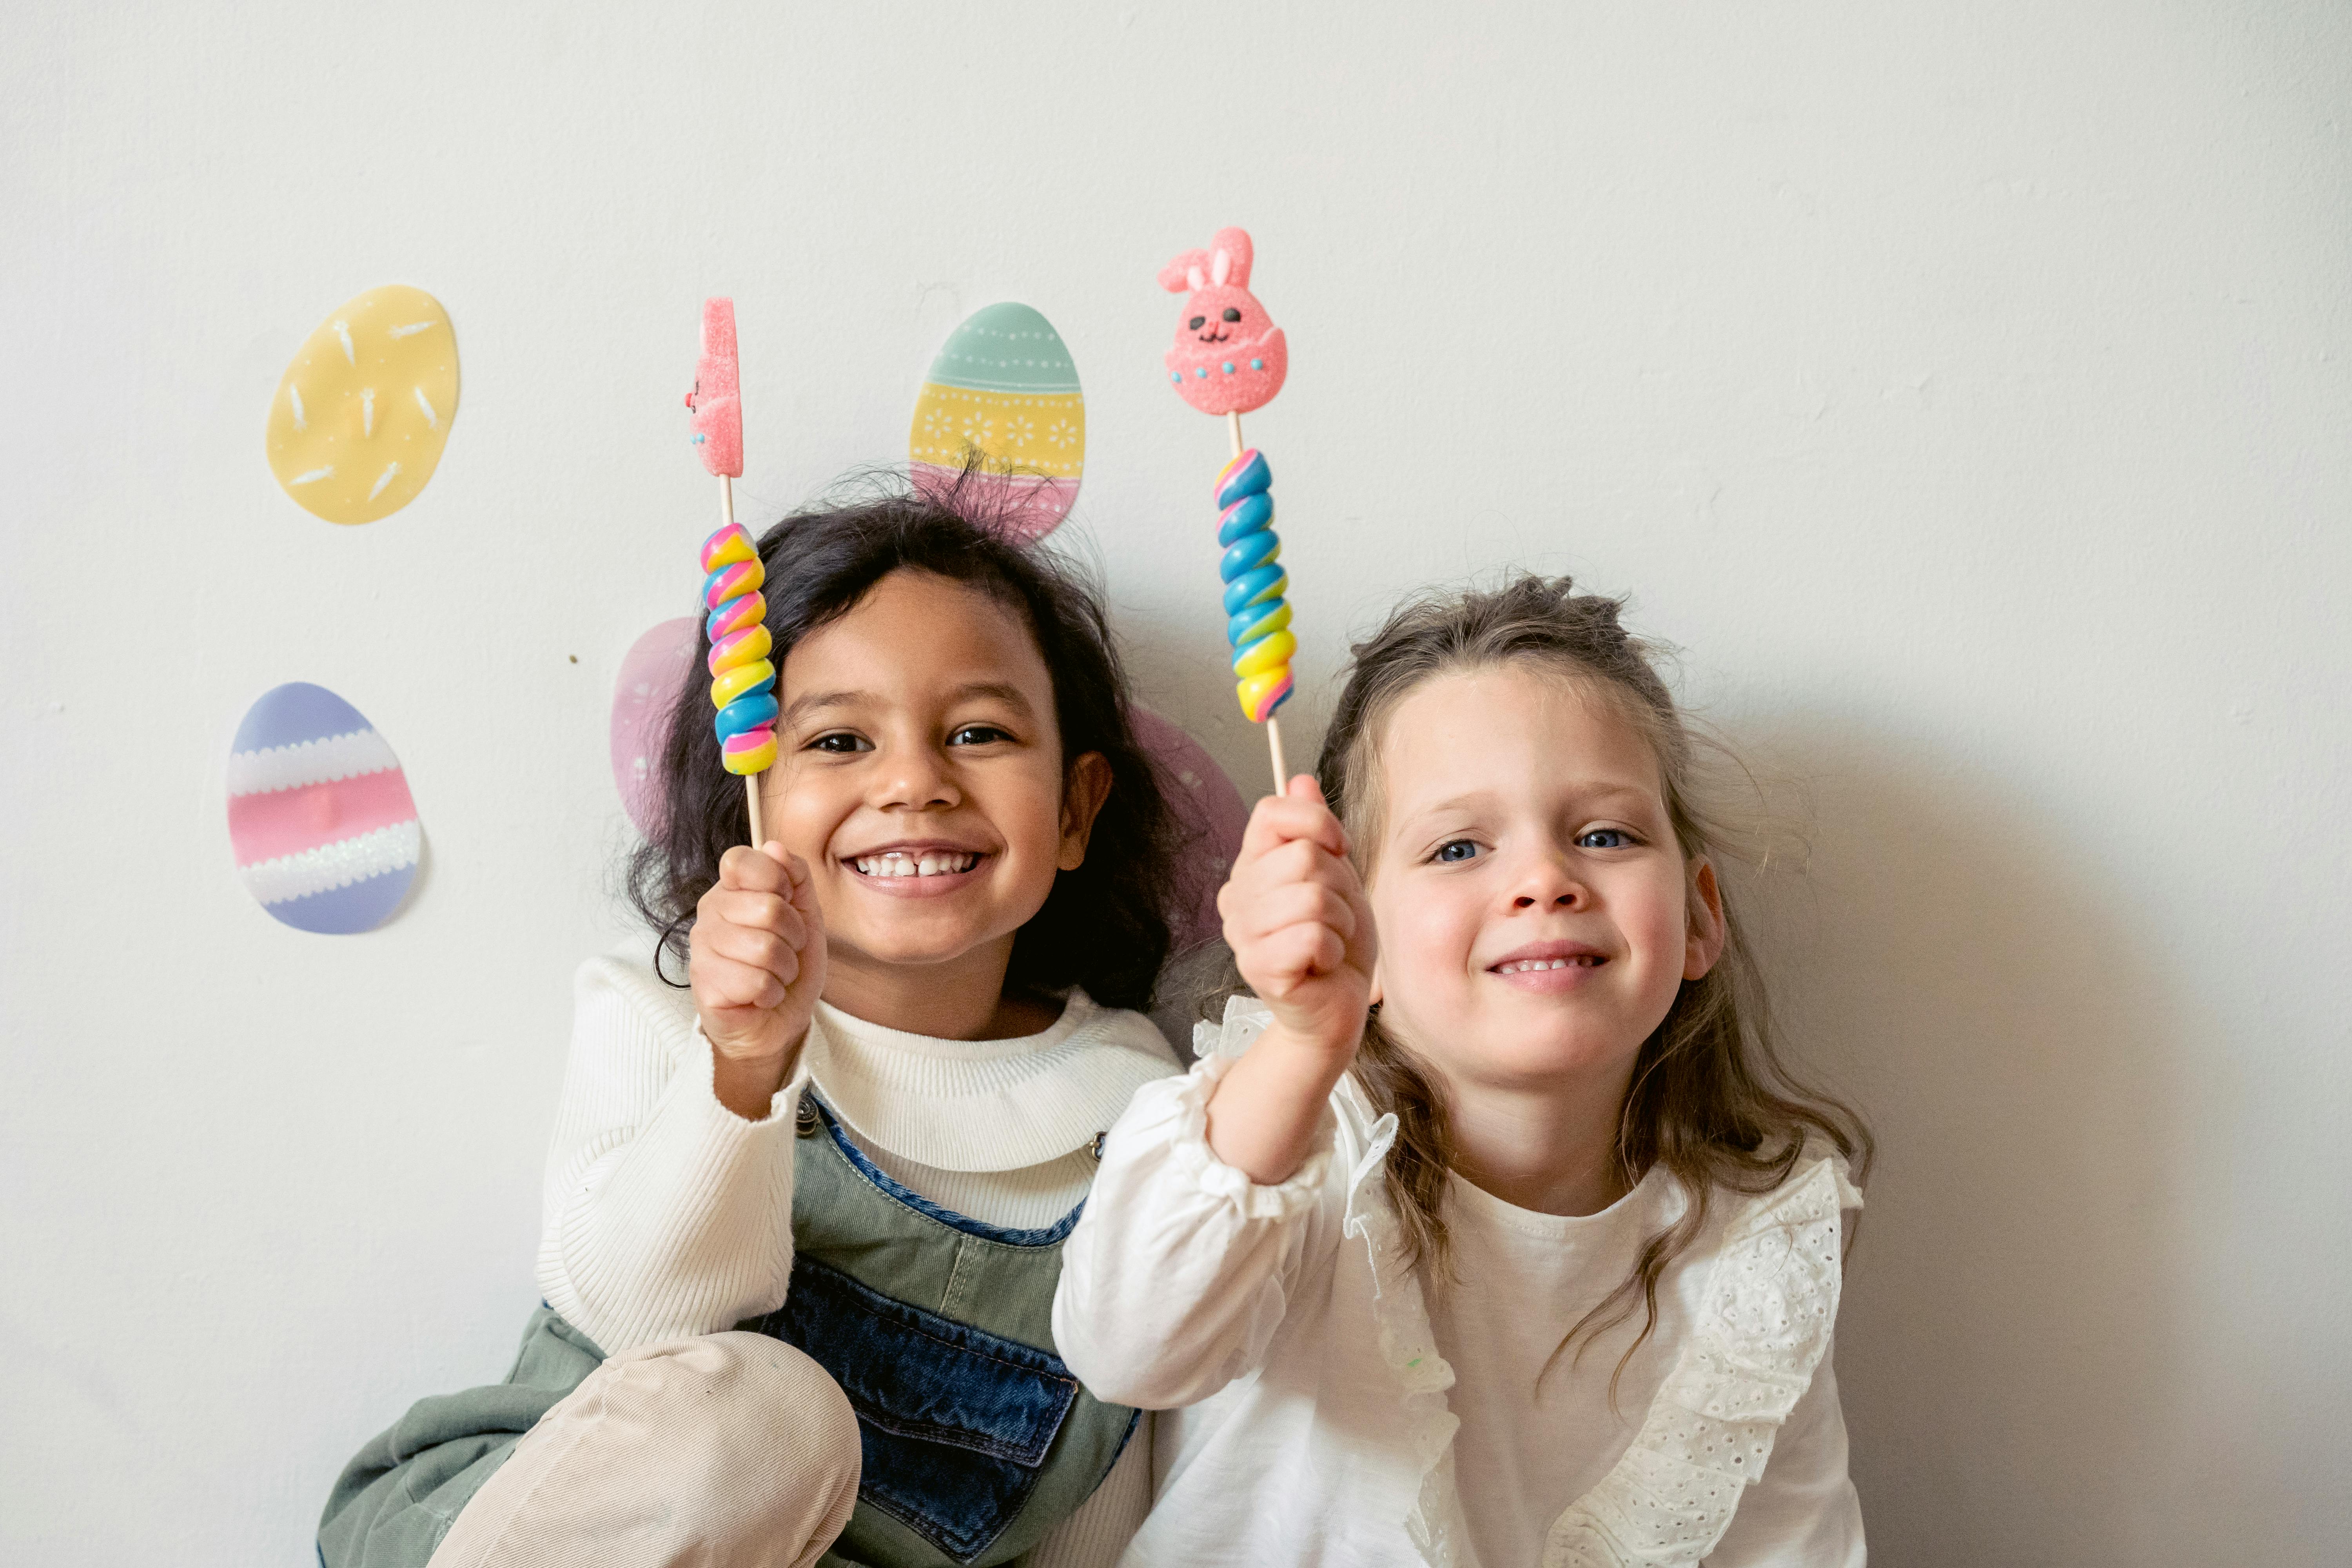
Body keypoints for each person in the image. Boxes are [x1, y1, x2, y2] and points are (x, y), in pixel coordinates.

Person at [321, 477, 1188, 1568]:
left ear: (1074, 808)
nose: (915, 782)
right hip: (531, 1525)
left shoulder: (1148, 1119)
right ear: (750, 789)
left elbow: (1097, 1511)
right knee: (764, 1416)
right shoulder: (660, 1008)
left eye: (976, 731)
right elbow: (636, 1314)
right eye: (837, 743)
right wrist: (742, 1068)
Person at [1056, 573, 1874, 1566]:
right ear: (1360, 926)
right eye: (1457, 847)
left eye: (1604, 834)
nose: (1544, 880)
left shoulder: (1755, 1244)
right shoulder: (1292, 1145)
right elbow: (1129, 1350)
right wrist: (1306, 1044)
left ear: (1700, 914)